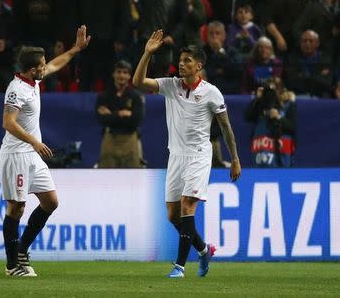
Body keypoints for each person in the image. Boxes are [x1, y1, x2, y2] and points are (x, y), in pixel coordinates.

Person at [132, 30, 241, 278]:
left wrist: (234, 159)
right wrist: (147, 53)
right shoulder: (171, 86)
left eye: (187, 61)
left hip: (199, 155)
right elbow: (138, 82)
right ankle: (203, 250)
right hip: (176, 156)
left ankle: (179, 267)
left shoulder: (212, 92)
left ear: (198, 66)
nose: (181, 65)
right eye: (180, 61)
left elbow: (226, 127)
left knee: (186, 205)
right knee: (172, 214)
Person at [0, 25, 90, 277]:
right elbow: (8, 123)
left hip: (31, 155)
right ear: (31, 69)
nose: (45, 66)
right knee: (16, 207)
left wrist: (75, 49)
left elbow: (56, 65)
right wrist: (34, 142)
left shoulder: (33, 81)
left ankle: (22, 250)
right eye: (41, 64)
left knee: (50, 202)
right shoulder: (16, 89)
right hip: (17, 154)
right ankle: (11, 266)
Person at [95, 60, 145, 168]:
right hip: (110, 139)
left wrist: (111, 114)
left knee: (134, 179)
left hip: (130, 139)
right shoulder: (104, 96)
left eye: (125, 72)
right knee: (107, 180)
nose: (121, 75)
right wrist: (120, 114)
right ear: (113, 74)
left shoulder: (136, 97)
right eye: (118, 72)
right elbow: (101, 119)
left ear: (129, 76)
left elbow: (136, 121)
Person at [245, 78, 296, 167]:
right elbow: (248, 117)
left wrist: (279, 117)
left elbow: (292, 127)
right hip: (261, 157)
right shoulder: (260, 105)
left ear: (280, 90)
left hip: (281, 156)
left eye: (274, 90)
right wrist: (257, 99)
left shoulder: (288, 105)